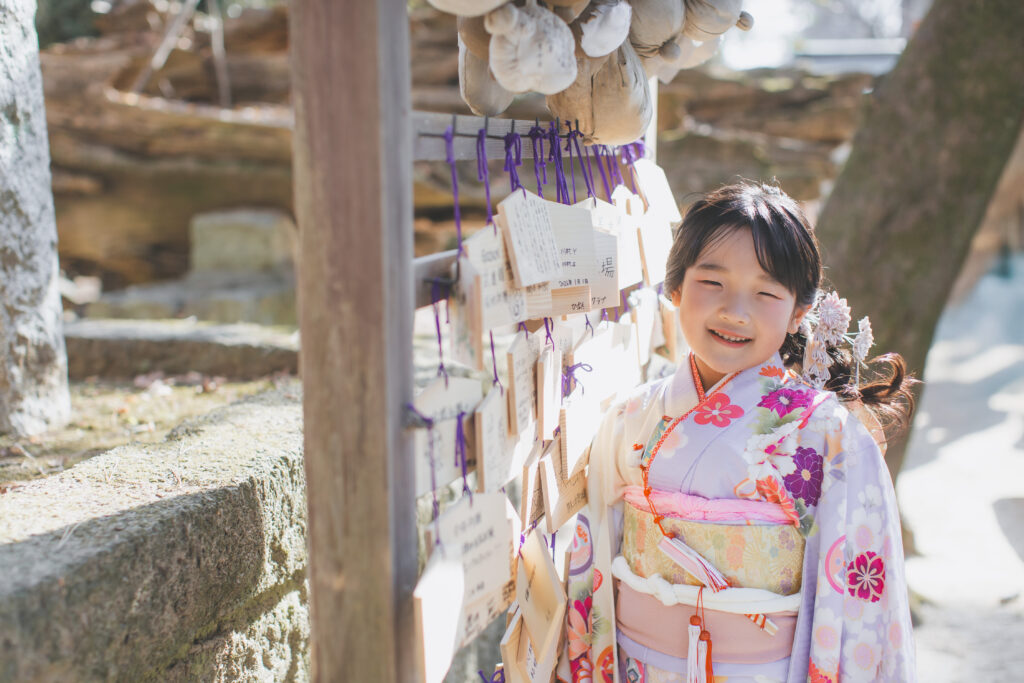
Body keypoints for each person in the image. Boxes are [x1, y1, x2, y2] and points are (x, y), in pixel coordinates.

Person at [563, 182, 918, 683]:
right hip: (638, 666)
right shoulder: (631, 418)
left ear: (798, 311)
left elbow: (861, 597)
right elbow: (593, 552)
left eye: (766, 292)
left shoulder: (828, 437)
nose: (735, 310)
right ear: (676, 287)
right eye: (713, 283)